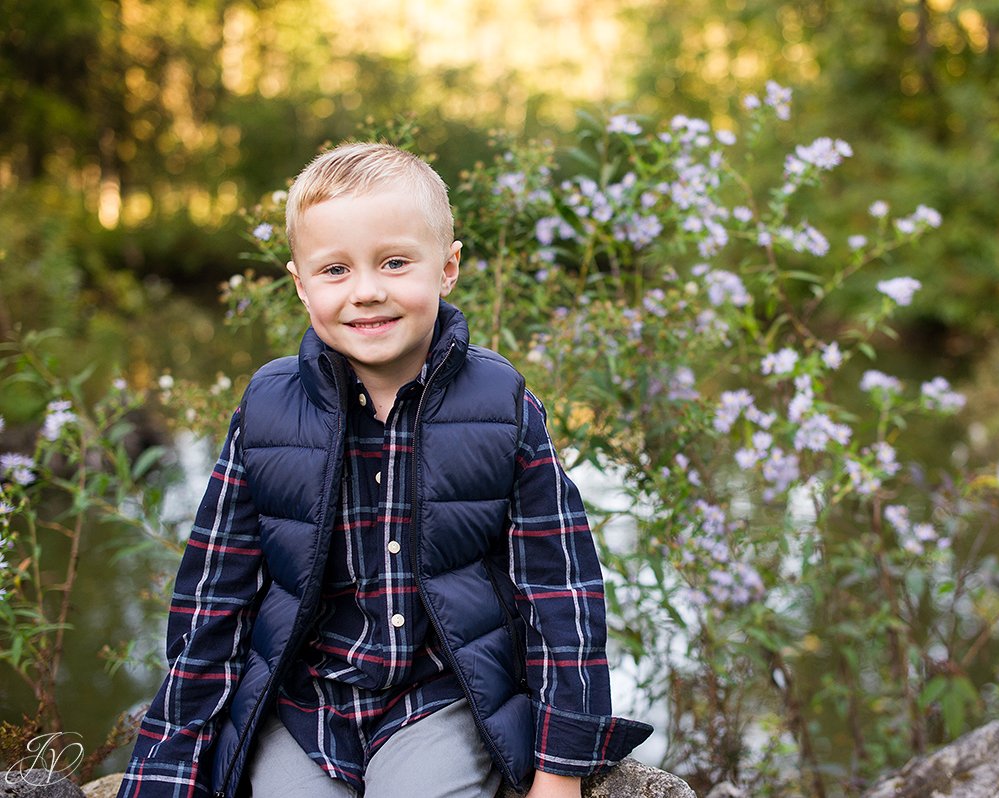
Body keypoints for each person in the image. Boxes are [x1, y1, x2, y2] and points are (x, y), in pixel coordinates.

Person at [118, 142, 652, 798]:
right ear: (300, 284)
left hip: (441, 697)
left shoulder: (502, 405)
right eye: (335, 270)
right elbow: (213, 598)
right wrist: (170, 768)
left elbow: (560, 589)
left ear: (448, 268)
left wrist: (560, 769)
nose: (367, 291)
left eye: (395, 262)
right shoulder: (266, 412)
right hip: (306, 703)